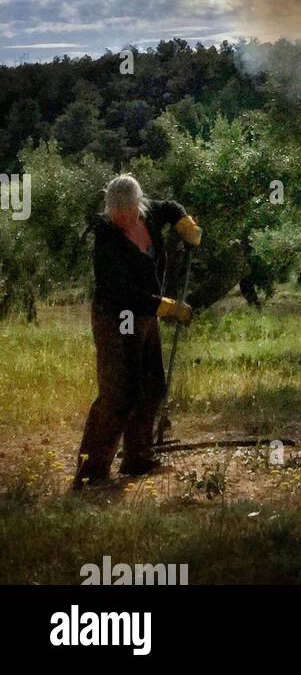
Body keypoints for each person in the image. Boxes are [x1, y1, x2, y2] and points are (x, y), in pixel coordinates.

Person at [73, 175, 202, 489]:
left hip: (145, 316)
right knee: (119, 392)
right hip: (117, 317)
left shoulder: (150, 213)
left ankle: (137, 458)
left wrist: (185, 222)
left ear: (138, 205)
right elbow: (121, 292)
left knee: (152, 385)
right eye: (115, 212)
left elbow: (170, 207)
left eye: (127, 211)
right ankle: (92, 471)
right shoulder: (106, 238)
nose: (121, 217)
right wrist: (168, 307)